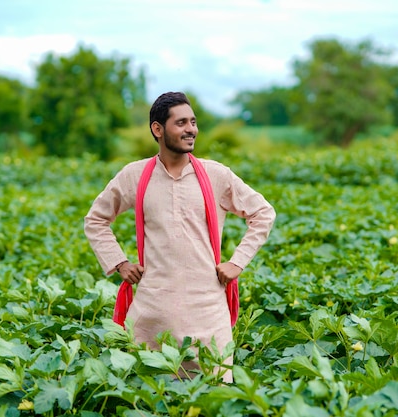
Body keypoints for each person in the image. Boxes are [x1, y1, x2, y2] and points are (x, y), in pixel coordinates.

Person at [84, 91, 275, 382]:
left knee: (213, 395)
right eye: (181, 122)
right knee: (150, 396)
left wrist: (238, 262)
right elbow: (96, 219)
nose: (191, 129)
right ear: (157, 129)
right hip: (152, 313)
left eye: (194, 122)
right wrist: (120, 263)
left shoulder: (216, 175)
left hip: (208, 311)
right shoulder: (134, 176)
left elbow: (263, 213)